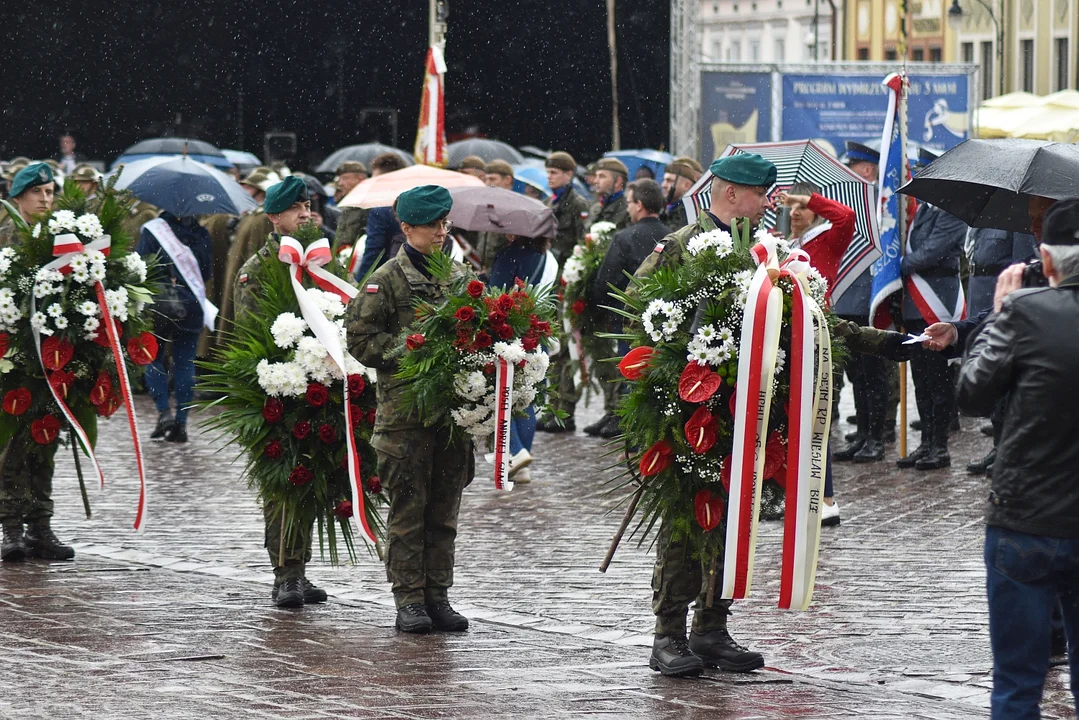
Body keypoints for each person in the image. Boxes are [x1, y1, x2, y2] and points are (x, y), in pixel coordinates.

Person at [636, 154, 775, 678]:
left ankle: (712, 628)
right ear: (733, 193)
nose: (770, 203)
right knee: (685, 522)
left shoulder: (765, 251)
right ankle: (668, 634)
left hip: (746, 408)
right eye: (763, 194)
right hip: (688, 410)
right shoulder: (680, 246)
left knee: (731, 520)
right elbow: (640, 308)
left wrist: (889, 343)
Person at [955, 198, 1079, 719]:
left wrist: (998, 316)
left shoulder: (1025, 313)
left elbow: (971, 393)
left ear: (1046, 262)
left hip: (1025, 517)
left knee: (1016, 684)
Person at [346, 185, 474, 634]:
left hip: (451, 414)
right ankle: (409, 599)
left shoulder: (460, 277)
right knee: (407, 512)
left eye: (445, 223)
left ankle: (439, 595)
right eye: (433, 225)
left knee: (444, 512)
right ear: (406, 229)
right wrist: (415, 349)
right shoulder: (386, 280)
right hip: (403, 418)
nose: (442, 232)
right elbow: (359, 340)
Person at [232, 176, 328, 608]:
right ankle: (285, 574)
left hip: (320, 388)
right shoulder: (258, 268)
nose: (305, 214)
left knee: (313, 480)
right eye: (295, 208)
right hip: (277, 392)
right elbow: (254, 335)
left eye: (308, 206)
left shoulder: (321, 263)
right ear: (273, 217)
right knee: (284, 483)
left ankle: (301, 569)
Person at [0, 163, 74, 563]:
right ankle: (11, 528)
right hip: (12, 357)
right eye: (38, 193)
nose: (46, 200)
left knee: (45, 439)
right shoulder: (5, 239)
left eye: (50, 193)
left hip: (52, 355)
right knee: (12, 444)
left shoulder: (59, 240)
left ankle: (40, 526)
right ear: (18, 197)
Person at [776, 182, 856, 524]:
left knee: (814, 419)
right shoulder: (782, 245)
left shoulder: (827, 238)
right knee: (784, 419)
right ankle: (789, 495)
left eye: (801, 208)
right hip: (784, 337)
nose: (794, 213)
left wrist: (808, 199)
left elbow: (846, 216)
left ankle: (825, 498)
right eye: (790, 208)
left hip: (816, 336)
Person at [895, 152, 968, 472]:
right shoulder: (923, 210)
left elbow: (931, 253)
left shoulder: (952, 210)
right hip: (916, 303)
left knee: (938, 381)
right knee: (921, 380)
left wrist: (895, 268)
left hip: (937, 300)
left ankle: (939, 446)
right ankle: (925, 442)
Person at [831, 141, 895, 461]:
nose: (848, 171)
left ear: (867, 170)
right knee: (858, 371)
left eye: (852, 166)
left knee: (873, 371)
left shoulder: (881, 204)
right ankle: (864, 432)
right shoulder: (853, 202)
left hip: (870, 297)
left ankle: (876, 436)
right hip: (848, 296)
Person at [963, 225, 1037, 476]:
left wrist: (1006, 303)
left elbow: (1021, 267)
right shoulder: (984, 219)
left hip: (1001, 297)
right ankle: (998, 446)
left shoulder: (1014, 221)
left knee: (1003, 379)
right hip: (980, 296)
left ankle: (1005, 448)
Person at [138, 212, 213, 443]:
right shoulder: (201, 234)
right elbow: (207, 273)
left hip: (159, 303)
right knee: (185, 364)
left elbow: (140, 267)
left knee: (153, 358)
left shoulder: (152, 230)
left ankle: (163, 413)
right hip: (191, 305)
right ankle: (181, 423)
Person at [488, 234, 553, 483]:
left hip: (511, 332)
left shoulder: (509, 255)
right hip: (537, 331)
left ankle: (515, 453)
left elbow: (496, 293)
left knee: (502, 394)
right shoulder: (546, 255)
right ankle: (522, 458)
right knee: (527, 396)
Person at [536, 152, 591, 434]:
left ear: (569, 174)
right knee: (553, 350)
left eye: (555, 172)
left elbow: (584, 245)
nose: (550, 177)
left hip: (567, 286)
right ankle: (552, 408)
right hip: (550, 284)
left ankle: (565, 411)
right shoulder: (549, 203)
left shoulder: (578, 205)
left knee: (568, 349)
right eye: (548, 172)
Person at [354, 153, 410, 278]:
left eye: (376, 179)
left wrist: (359, 284)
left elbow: (373, 253)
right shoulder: (413, 204)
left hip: (385, 279)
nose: (373, 184)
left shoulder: (380, 211)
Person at [586, 157, 631, 231]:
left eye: (602, 176)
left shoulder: (628, 209)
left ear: (617, 181)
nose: (596, 181)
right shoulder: (596, 207)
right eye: (596, 176)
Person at [660, 157, 703, 232]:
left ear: (686, 185)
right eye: (664, 180)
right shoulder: (660, 208)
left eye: (669, 181)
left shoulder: (692, 215)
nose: (663, 185)